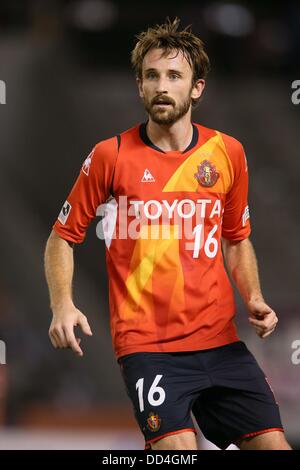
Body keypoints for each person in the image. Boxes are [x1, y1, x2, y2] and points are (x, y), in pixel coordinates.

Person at [44, 18, 291, 450]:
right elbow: (62, 236)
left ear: (196, 88)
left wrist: (252, 295)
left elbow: (236, 237)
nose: (162, 85)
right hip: (149, 348)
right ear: (139, 87)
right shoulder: (111, 156)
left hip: (222, 344)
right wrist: (62, 304)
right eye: (152, 76)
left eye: (174, 76)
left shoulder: (227, 152)